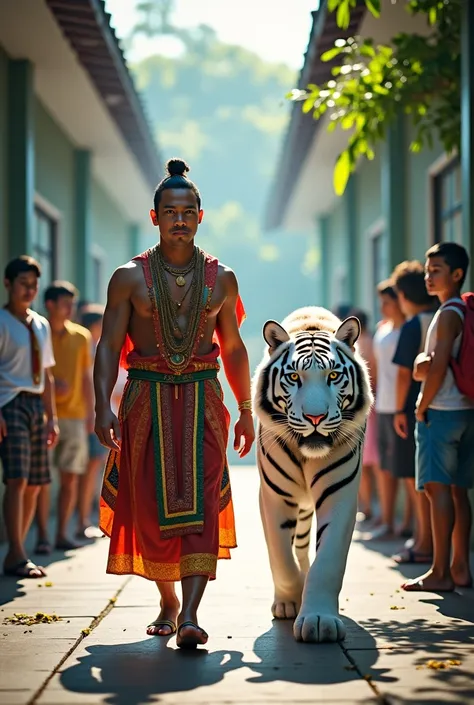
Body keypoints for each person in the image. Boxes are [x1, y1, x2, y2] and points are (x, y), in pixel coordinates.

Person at [94, 158, 255, 649]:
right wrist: (102, 403)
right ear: (155, 217)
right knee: (146, 508)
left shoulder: (221, 278)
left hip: (205, 400)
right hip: (145, 401)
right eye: (170, 211)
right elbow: (106, 345)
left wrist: (246, 409)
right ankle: (167, 599)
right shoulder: (128, 277)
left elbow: (233, 347)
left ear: (201, 217)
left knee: (203, 504)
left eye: (188, 211)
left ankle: (190, 614)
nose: (179, 220)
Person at [403, 242, 474, 592]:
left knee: (436, 490)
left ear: (457, 275)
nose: (429, 277)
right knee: (459, 492)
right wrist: (423, 365)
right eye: (428, 270)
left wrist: (421, 404)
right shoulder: (462, 310)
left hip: (441, 411)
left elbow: (438, 362)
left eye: (437, 271)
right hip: (465, 412)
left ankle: (440, 572)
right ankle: (460, 568)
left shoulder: (447, 314)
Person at [0, 256, 58, 578]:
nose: (29, 290)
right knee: (17, 479)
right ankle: (17, 553)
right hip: (9, 403)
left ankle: (16, 551)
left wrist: (53, 418)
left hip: (36, 404)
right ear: (8, 284)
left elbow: (47, 374)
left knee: (36, 482)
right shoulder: (1, 322)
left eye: (34, 285)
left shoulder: (40, 324)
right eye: (23, 283)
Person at [35, 282, 94, 554]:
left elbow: (86, 377)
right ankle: (44, 536)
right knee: (42, 481)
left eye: (72, 303)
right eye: (65, 303)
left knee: (70, 477)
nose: (71, 308)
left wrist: (92, 412)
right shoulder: (37, 333)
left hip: (75, 415)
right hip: (42, 414)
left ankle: (62, 534)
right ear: (50, 305)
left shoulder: (81, 337)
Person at [389, 261, 437, 566]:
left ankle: (423, 542)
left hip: (413, 408)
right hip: (442, 405)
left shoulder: (412, 325)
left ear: (404, 295)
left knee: (417, 481)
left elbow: (404, 374)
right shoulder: (440, 317)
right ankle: (428, 541)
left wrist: (397, 410)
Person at [367, 281, 409, 541]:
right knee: (384, 467)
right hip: (381, 405)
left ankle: (406, 523)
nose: (382, 306)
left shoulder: (407, 329)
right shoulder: (382, 329)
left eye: (387, 301)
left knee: (404, 471)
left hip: (399, 406)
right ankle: (387, 518)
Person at [76, 305, 107, 540]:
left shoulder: (95, 346)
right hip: (88, 415)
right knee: (88, 469)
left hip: (94, 415)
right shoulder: (88, 346)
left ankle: (89, 517)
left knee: (94, 468)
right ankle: (83, 519)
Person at [350, 308, 380, 524]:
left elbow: (372, 377)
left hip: (367, 409)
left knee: (367, 461)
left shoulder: (363, 343)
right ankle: (366, 506)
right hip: (368, 407)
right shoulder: (368, 341)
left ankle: (368, 507)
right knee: (367, 461)